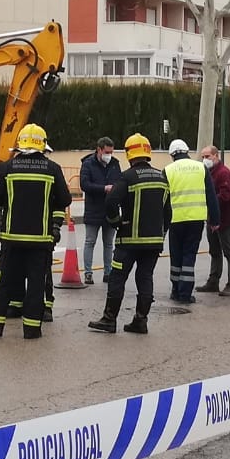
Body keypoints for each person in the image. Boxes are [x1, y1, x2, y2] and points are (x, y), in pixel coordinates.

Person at [0, 124, 71, 340]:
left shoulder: (9, 167)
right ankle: (31, 330)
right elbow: (65, 199)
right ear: (43, 145)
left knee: (2, 283)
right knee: (36, 285)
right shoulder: (53, 169)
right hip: (40, 240)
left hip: (12, 239)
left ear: (20, 145)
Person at [90, 134, 169, 335]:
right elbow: (168, 212)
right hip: (153, 242)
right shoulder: (162, 177)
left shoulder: (127, 177)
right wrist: (161, 234)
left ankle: (109, 319)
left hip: (128, 242)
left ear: (128, 154)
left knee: (117, 278)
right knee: (145, 278)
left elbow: (110, 202)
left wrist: (116, 222)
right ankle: (140, 321)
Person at [162, 139, 208, 304]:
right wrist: (215, 219)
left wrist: (163, 225)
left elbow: (164, 200)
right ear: (187, 151)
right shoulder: (201, 168)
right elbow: (210, 195)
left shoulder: (168, 170)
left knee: (176, 255)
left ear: (172, 155)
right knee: (189, 255)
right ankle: (185, 294)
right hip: (196, 219)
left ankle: (175, 290)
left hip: (175, 220)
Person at [78, 137, 120, 286]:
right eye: (107, 152)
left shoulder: (115, 164)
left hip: (110, 210)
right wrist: (103, 189)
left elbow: (119, 182)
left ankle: (108, 272)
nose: (109, 155)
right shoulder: (88, 164)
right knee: (90, 242)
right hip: (93, 209)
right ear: (99, 150)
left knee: (108, 244)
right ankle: (88, 273)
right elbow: (84, 184)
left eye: (111, 152)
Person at [199, 145, 230, 296]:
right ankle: (213, 281)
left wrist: (209, 201)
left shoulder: (223, 173)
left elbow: (225, 196)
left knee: (229, 252)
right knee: (214, 251)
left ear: (216, 156)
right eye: (203, 157)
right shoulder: (208, 173)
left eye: (207, 156)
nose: (205, 160)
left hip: (225, 220)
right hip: (212, 219)